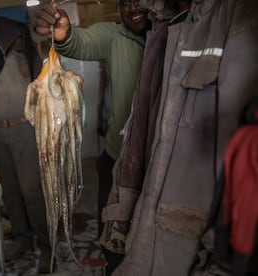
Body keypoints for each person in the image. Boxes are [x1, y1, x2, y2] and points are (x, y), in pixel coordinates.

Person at [102, 0, 258, 275]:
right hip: (145, 237)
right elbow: (144, 140)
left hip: (192, 252)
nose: (132, 7)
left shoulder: (241, 21)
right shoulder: (165, 27)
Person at [35, 1, 151, 274]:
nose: (132, 7)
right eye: (125, 2)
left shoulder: (177, 34)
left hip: (162, 164)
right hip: (117, 160)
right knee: (114, 243)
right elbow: (79, 41)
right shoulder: (115, 35)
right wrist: (63, 35)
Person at [0, 17, 53, 273]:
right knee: (10, 191)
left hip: (22, 130)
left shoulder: (20, 55)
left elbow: (15, 31)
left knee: (32, 191)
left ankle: (46, 244)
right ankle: (21, 237)